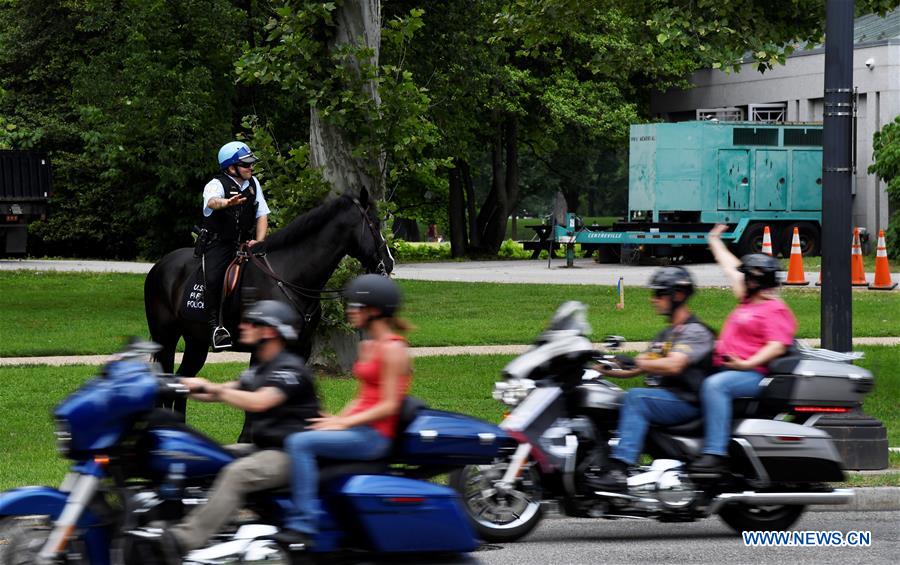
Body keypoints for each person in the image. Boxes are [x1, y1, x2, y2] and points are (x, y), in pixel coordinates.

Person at [130, 300, 319, 560]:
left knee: (236, 473)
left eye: (252, 322)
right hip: (262, 448)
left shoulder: (290, 369)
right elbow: (217, 390)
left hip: (288, 454)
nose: (243, 325)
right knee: (202, 457)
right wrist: (173, 383)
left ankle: (182, 540)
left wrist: (219, 390)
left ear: (270, 331)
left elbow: (260, 401)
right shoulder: (261, 369)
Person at [273, 274, 412, 548]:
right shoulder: (368, 346)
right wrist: (338, 419)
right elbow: (364, 396)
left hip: (375, 436)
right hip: (360, 427)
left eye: (356, 306)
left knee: (299, 443)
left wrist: (345, 425)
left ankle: (304, 523)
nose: (350, 310)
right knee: (302, 429)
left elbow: (388, 405)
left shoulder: (395, 349)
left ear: (374, 311)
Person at [588, 266, 716, 493]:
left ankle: (620, 469)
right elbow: (634, 369)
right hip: (669, 399)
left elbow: (674, 363)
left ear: (677, 295)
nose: (653, 299)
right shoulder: (666, 335)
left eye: (659, 294)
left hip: (688, 401)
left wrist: (642, 362)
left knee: (636, 398)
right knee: (609, 398)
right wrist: (596, 366)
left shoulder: (695, 331)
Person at [688, 225, 797, 475]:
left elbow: (777, 345)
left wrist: (746, 364)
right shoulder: (748, 300)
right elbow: (731, 268)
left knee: (717, 386)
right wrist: (714, 240)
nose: (742, 279)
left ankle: (715, 453)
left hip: (755, 374)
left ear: (757, 281)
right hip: (732, 366)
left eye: (748, 277)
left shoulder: (774, 309)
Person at [202, 141, 270, 349]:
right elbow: (212, 201)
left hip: (246, 244)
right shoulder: (216, 184)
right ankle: (216, 327)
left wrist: (259, 241)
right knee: (214, 278)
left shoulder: (253, 183)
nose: (251, 168)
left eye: (251, 164)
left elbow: (262, 215)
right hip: (219, 244)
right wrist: (226, 203)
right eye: (246, 165)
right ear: (231, 167)